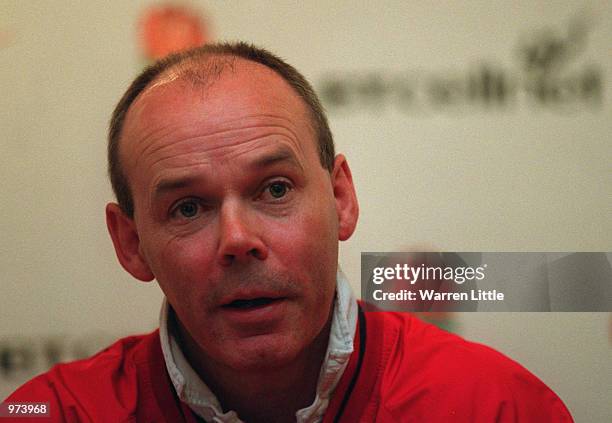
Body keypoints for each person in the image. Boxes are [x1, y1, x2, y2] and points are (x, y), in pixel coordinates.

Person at [5, 42, 573, 422]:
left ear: (341, 198)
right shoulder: (51, 413)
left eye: (274, 189)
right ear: (130, 244)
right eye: (187, 208)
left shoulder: (493, 405)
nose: (237, 239)